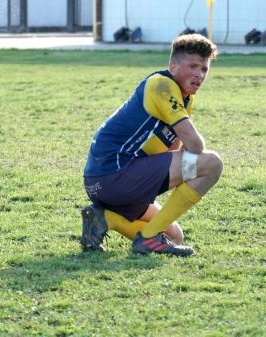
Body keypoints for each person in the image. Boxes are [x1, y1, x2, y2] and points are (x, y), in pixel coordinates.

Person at [80, 34, 223, 257]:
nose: (199, 74)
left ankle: (104, 219)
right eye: (193, 66)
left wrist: (179, 174)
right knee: (212, 164)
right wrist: (189, 176)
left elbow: (174, 148)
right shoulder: (162, 85)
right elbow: (195, 145)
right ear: (172, 66)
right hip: (115, 176)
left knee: (174, 235)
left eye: (204, 69)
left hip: (107, 183)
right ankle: (147, 239)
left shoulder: (185, 97)